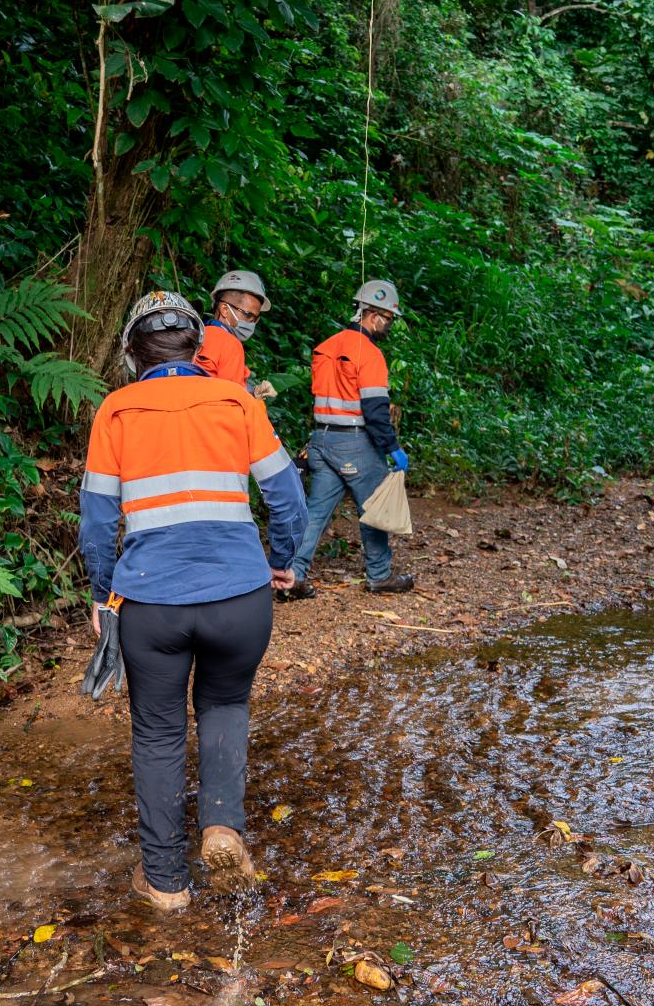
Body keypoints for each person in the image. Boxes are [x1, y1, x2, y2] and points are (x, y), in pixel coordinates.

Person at [79, 291, 307, 912]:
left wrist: (103, 595)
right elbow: (288, 500)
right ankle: (223, 827)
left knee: (157, 732)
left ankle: (165, 883)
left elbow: (97, 523)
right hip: (240, 596)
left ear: (132, 351)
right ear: (197, 347)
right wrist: (281, 563)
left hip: (152, 603)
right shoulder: (237, 399)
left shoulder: (117, 411)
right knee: (226, 703)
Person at [283, 278, 415, 599]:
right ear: (374, 316)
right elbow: (375, 411)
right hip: (354, 444)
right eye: (389, 319)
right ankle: (380, 575)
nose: (390, 326)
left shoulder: (326, 346)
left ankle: (292, 576)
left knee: (315, 513)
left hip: (321, 440)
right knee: (375, 508)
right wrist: (392, 448)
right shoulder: (369, 354)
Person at [195, 269, 272, 397]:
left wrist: (253, 391)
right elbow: (232, 399)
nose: (251, 323)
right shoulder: (230, 344)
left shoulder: (197, 333)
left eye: (255, 319)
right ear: (224, 309)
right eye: (248, 315)